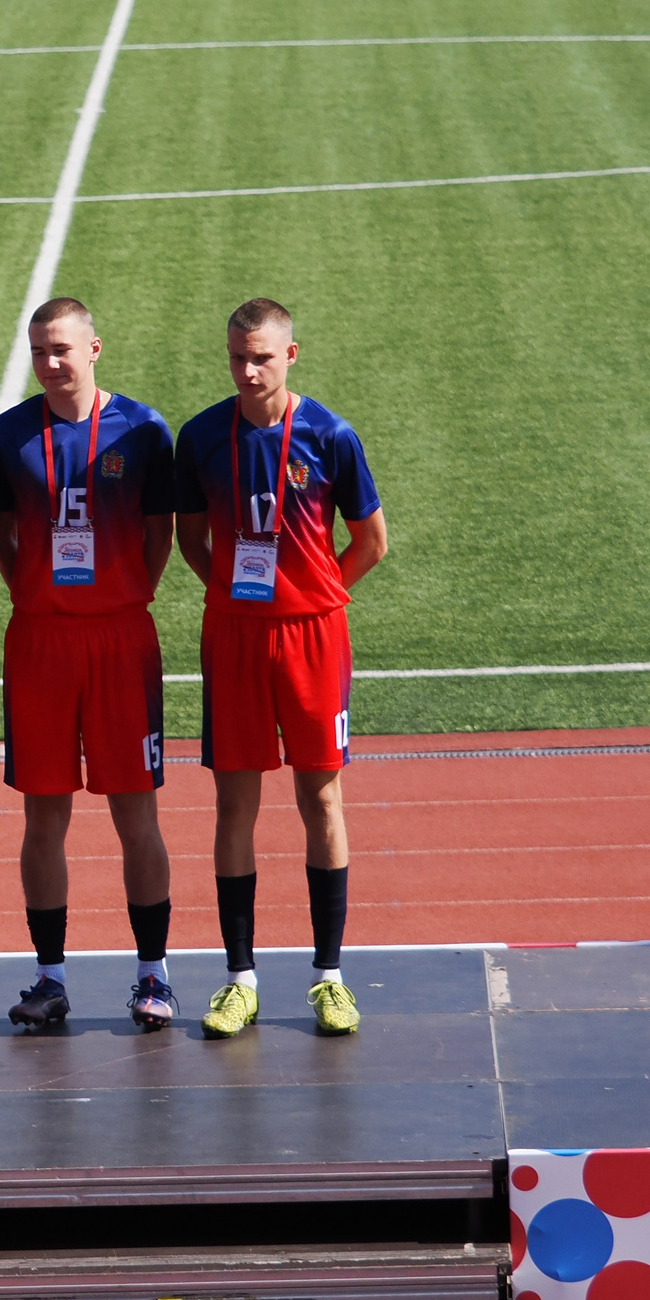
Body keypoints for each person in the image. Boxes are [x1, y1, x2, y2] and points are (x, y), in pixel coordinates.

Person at [174, 299, 388, 1040]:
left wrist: (319, 593)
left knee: (320, 798)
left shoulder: (330, 434)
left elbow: (371, 540)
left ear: (290, 355)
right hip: (233, 637)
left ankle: (329, 977)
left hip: (313, 637)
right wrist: (230, 591)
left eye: (261, 356)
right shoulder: (201, 436)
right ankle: (240, 980)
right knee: (235, 805)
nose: (247, 369)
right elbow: (190, 538)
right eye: (237, 356)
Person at [0, 298, 182, 1033]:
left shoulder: (146, 430)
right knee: (43, 815)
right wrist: (37, 594)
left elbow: (161, 535)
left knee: (136, 813)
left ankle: (153, 975)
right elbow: (1, 537)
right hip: (41, 643)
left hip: (121, 640)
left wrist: (127, 592)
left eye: (62, 348)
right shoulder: (5, 438)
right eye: (39, 350)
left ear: (96, 347)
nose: (50, 361)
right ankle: (50, 976)